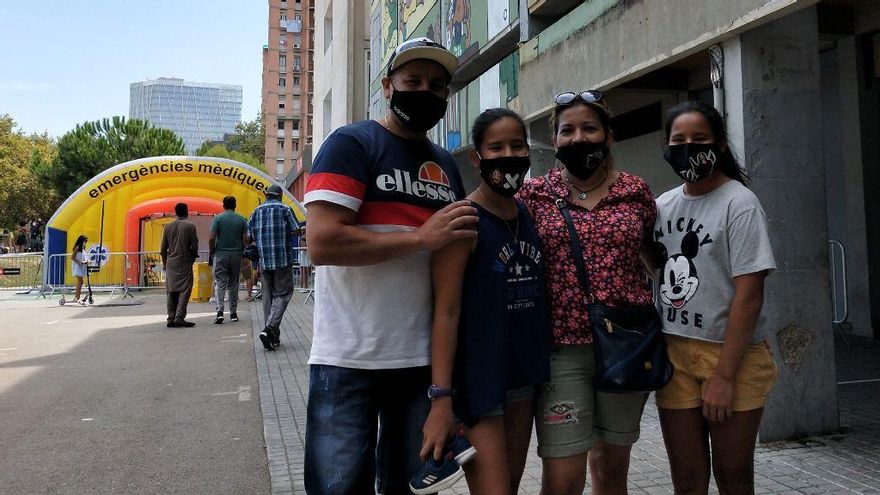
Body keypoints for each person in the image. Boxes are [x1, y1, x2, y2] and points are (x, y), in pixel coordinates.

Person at [302, 37, 478, 495]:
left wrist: (445, 388)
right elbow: (322, 243)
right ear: (387, 86)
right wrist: (420, 238)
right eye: (413, 81)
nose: (425, 91)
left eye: (437, 85)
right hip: (347, 359)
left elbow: (449, 277)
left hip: (419, 365)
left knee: (410, 489)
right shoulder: (351, 144)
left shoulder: (444, 166)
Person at [517, 90, 657, 495]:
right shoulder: (535, 195)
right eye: (568, 131)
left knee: (612, 469)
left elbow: (653, 257)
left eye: (589, 128)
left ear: (608, 136)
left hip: (626, 346)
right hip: (562, 349)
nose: (579, 139)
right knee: (563, 477)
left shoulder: (636, 191)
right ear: (556, 141)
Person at [418, 108, 550, 494]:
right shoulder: (462, 221)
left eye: (516, 145)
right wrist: (441, 398)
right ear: (476, 157)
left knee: (508, 484)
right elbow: (445, 311)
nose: (508, 155)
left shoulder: (526, 215)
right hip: (478, 381)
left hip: (522, 376)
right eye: (496, 147)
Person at [653, 101, 777, 495]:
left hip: (731, 356)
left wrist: (724, 376)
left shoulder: (739, 204)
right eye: (679, 140)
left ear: (720, 145)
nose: (689, 148)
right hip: (674, 353)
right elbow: (653, 265)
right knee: (687, 478)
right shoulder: (661, 206)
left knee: (732, 474)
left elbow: (749, 296)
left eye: (700, 140)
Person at [248, 183, 299, 350]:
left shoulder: (256, 212)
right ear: (280, 195)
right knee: (283, 294)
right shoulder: (285, 209)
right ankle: (269, 329)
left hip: (264, 262)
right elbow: (296, 230)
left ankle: (273, 338)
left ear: (266, 194)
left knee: (268, 299)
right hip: (282, 259)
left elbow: (249, 236)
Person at [209, 195, 249, 324]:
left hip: (220, 254)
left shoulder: (218, 218)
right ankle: (233, 313)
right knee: (233, 284)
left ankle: (220, 311)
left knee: (220, 283)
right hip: (236, 255)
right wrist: (243, 251)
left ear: (223, 205)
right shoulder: (242, 219)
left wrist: (213, 250)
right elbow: (245, 239)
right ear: (235, 205)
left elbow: (211, 237)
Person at [160, 202, 200, 328]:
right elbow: (194, 245)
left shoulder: (167, 227)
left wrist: (165, 263)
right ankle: (179, 317)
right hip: (184, 261)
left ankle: (170, 318)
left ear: (176, 212)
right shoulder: (190, 226)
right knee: (185, 290)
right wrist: (193, 257)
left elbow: (162, 248)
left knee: (171, 291)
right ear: (187, 211)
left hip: (171, 262)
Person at [70, 234, 89, 305]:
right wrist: (80, 262)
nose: (86, 242)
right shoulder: (77, 248)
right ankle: (77, 298)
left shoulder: (83, 248)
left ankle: (76, 297)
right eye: (85, 241)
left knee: (80, 283)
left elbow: (84, 257)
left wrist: (87, 261)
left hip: (82, 267)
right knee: (79, 282)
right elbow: (72, 257)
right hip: (78, 267)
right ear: (81, 241)